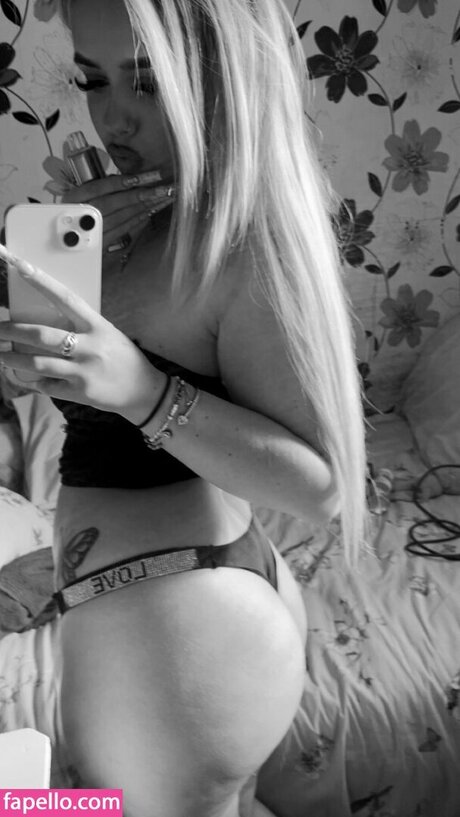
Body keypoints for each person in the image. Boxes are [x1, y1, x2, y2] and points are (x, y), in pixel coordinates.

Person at [0, 0, 369, 814]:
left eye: (147, 83)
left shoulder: (247, 245)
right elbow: (44, 374)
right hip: (173, 608)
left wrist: (141, 388)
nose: (112, 117)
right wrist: (58, 261)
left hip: (178, 636)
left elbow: (322, 488)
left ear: (225, 82)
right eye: (94, 80)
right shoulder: (139, 217)